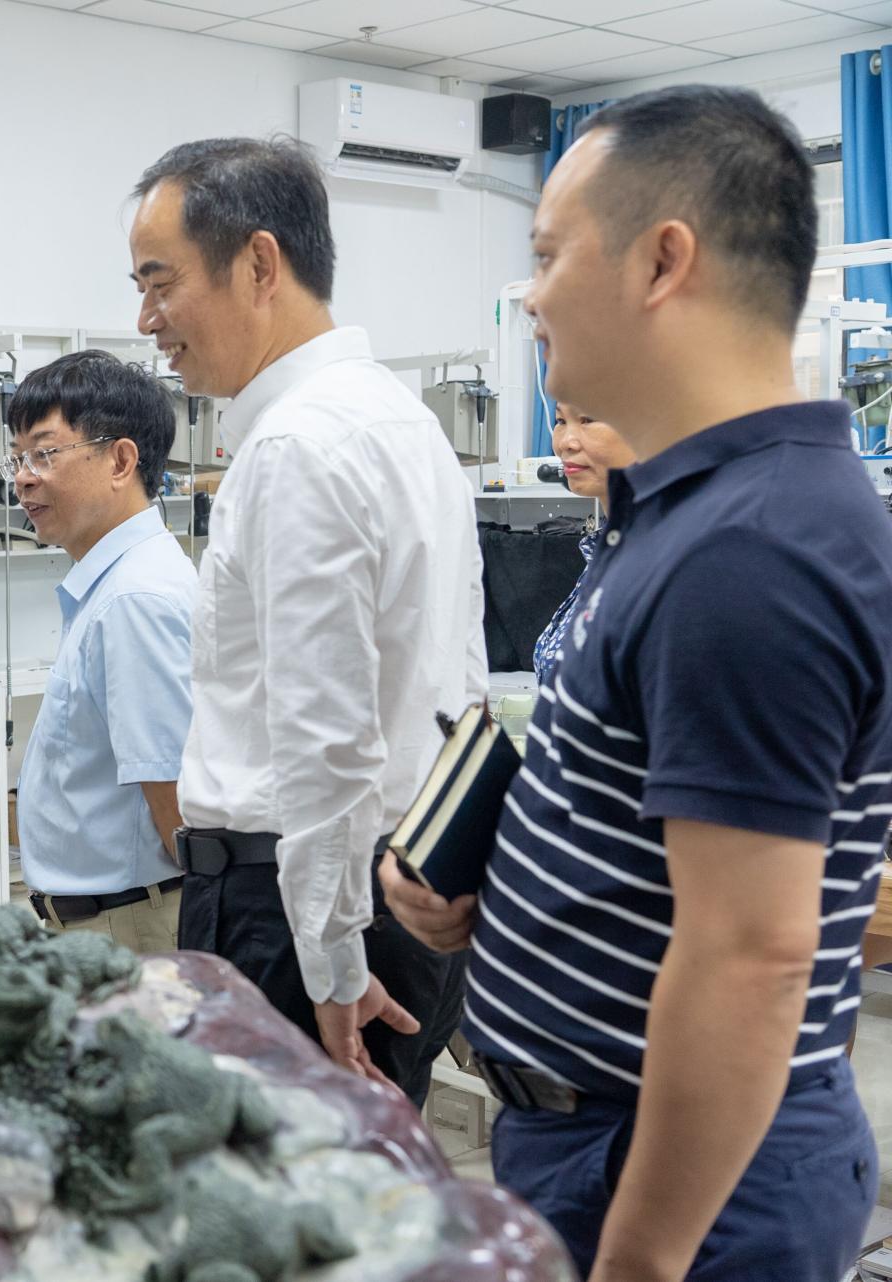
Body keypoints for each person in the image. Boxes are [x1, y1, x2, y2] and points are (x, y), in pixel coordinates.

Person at [382, 85, 892, 1282]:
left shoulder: (753, 547)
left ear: (664, 260)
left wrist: (643, 1256)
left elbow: (751, 955)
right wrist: (504, 888)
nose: (531, 296)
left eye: (549, 254)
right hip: (593, 1136)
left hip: (679, 1181)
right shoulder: (687, 514)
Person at [128, 137, 486, 1104]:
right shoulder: (405, 424)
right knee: (370, 1176)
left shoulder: (297, 447)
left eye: (161, 283)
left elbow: (325, 734)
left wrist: (329, 963)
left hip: (297, 921)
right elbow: (459, 689)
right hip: (398, 888)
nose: (147, 319)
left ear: (259, 263)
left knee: (284, 1185)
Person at [5, 351, 194, 950]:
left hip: (136, 926)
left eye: (44, 454)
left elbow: (177, 808)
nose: (23, 478)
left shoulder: (133, 600)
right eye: (17, 457)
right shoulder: (116, 584)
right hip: (116, 918)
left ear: (120, 460)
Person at [533, 403, 636, 685]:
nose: (565, 443)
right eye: (560, 421)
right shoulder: (605, 549)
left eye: (588, 420)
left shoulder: (662, 557)